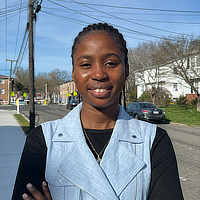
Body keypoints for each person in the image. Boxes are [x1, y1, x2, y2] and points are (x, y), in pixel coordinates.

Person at [12, 23, 184, 200]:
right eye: (86, 64)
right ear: (74, 74)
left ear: (126, 71)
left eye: (110, 63)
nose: (99, 74)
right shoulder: (44, 140)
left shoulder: (153, 140)